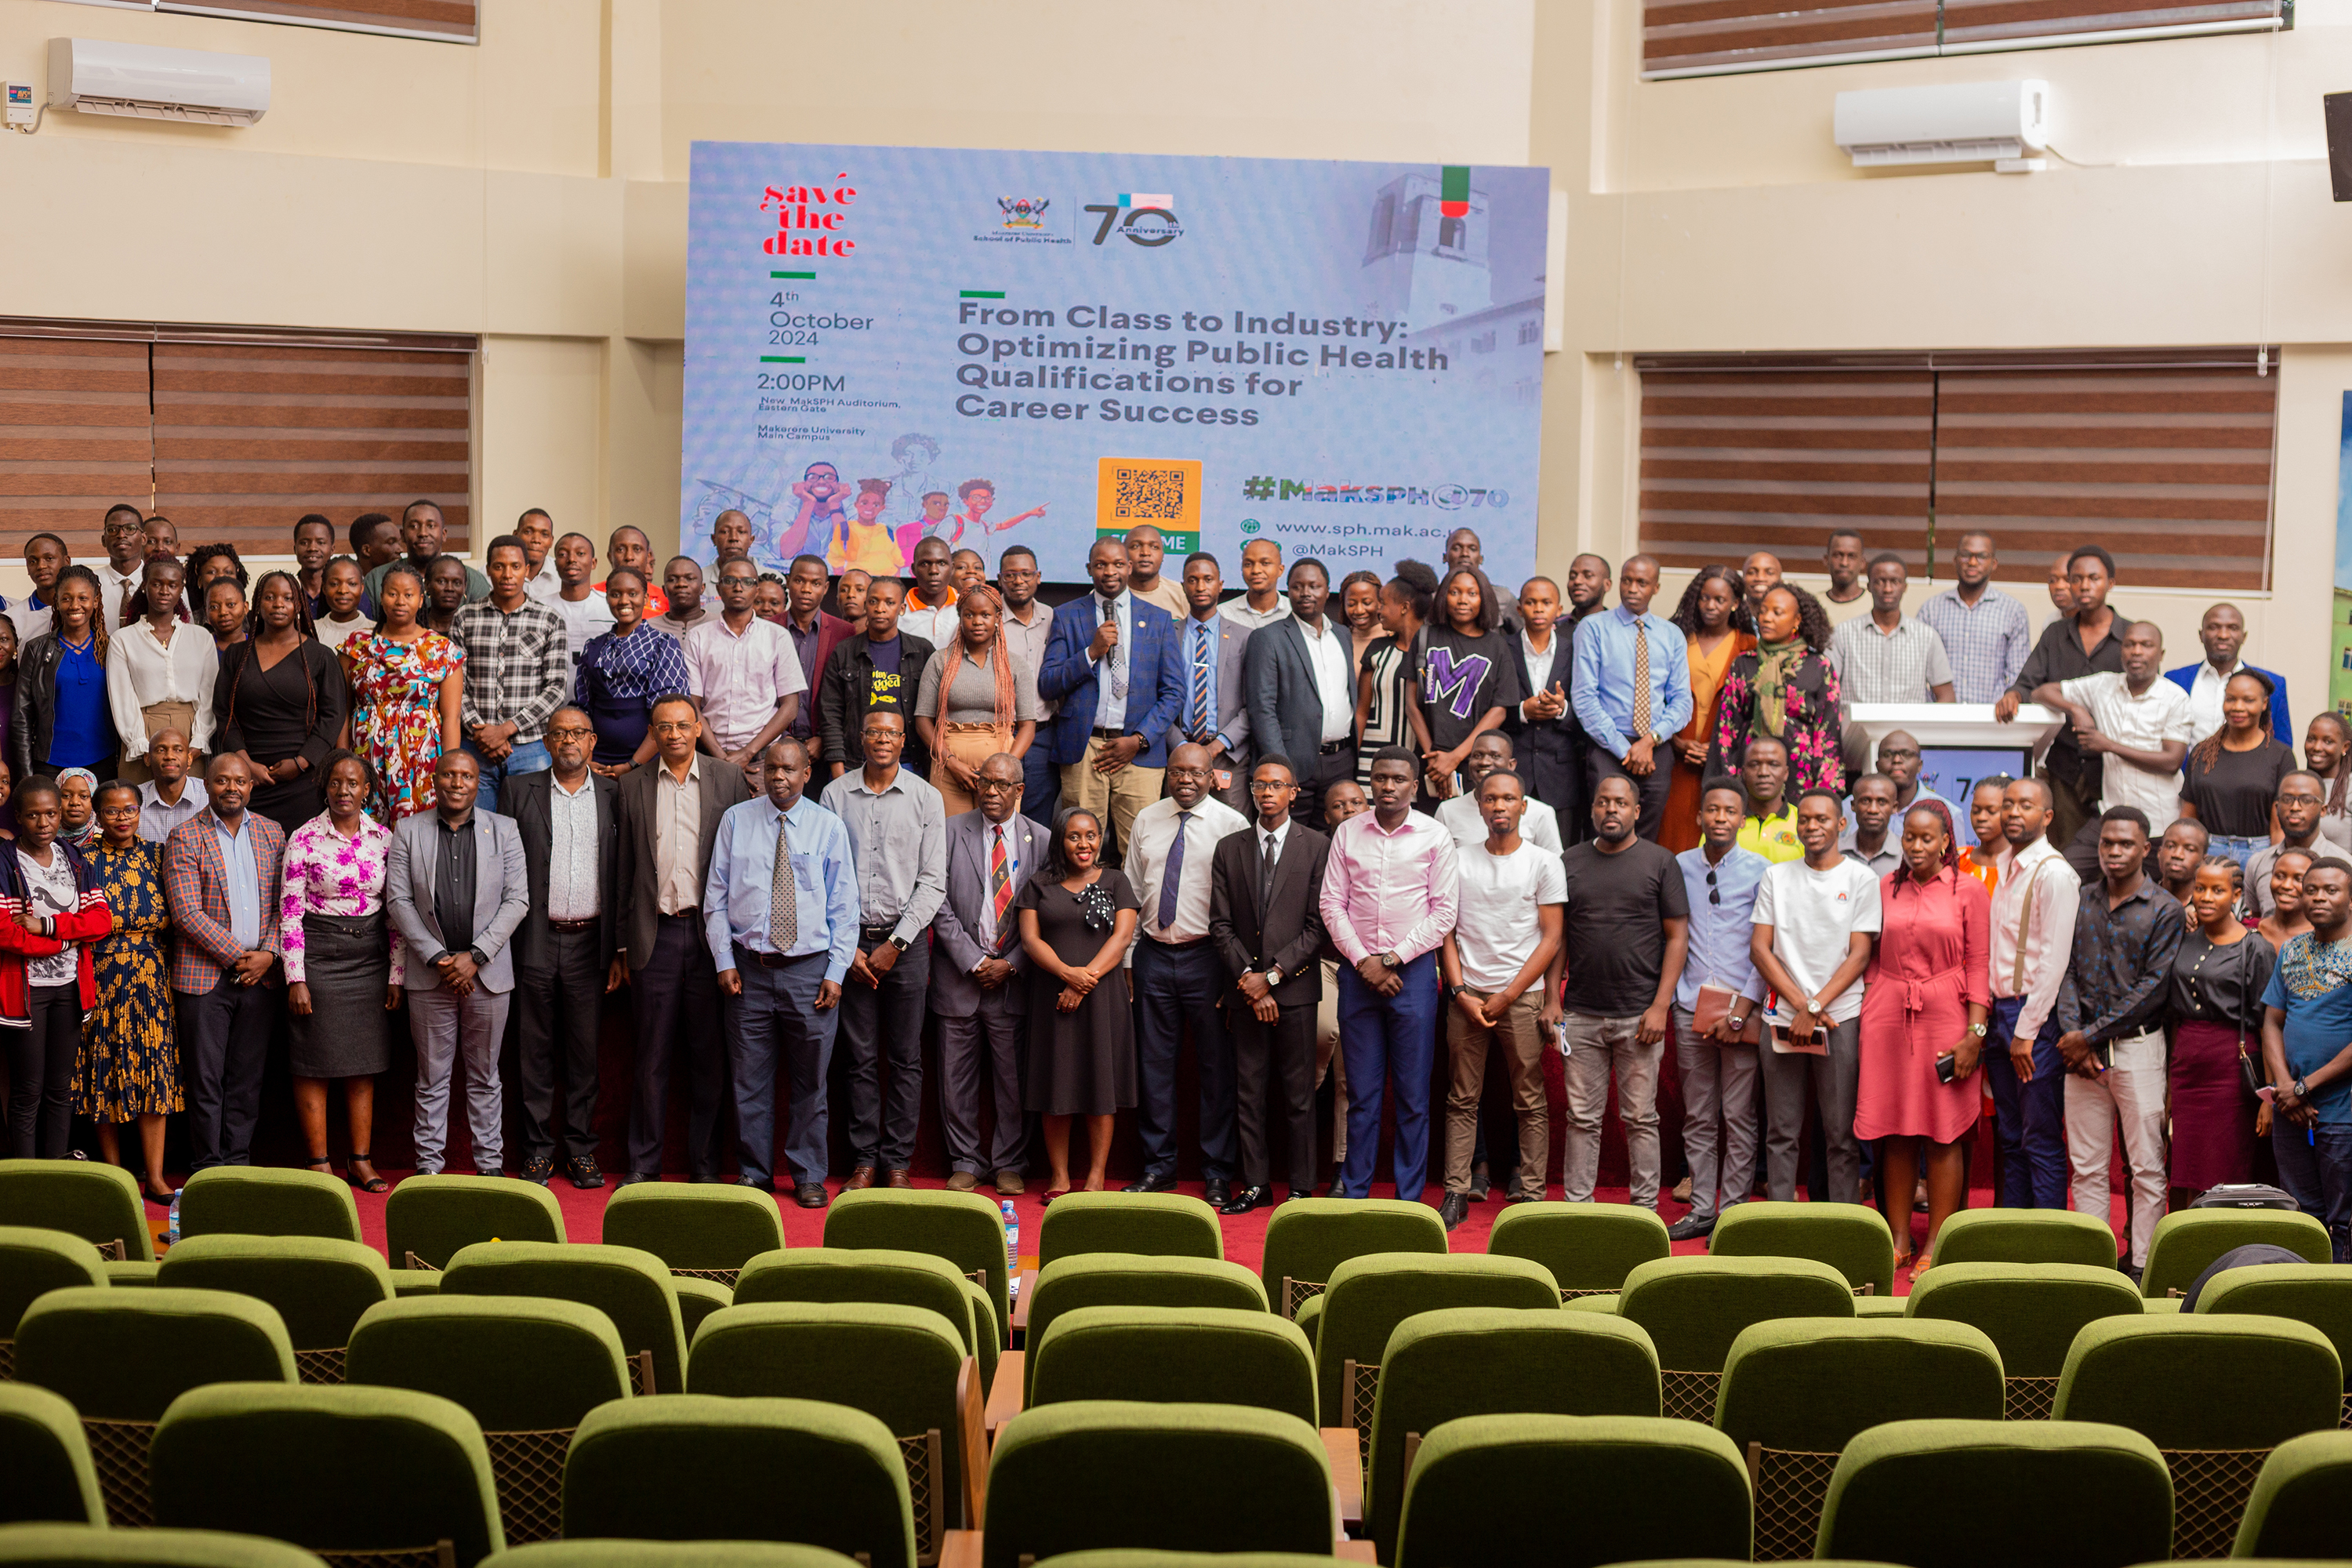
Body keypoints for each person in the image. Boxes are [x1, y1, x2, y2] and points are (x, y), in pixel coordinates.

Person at [710, 737, 858, 1208]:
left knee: (811, 1081)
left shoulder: (828, 827)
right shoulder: (736, 821)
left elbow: (844, 907)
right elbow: (715, 898)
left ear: (806, 773)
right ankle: (754, 1174)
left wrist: (836, 972)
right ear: (759, 772)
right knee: (749, 1080)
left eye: (789, 770)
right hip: (747, 972)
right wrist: (724, 961)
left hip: (810, 974)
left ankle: (809, 1174)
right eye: (771, 769)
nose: (779, 777)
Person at [615, 694, 750, 1183]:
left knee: (708, 1059)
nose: (672, 735)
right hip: (655, 936)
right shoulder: (631, 787)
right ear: (653, 733)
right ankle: (643, 1166)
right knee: (650, 1058)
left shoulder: (728, 779)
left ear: (698, 728)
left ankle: (706, 1168)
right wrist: (621, 947)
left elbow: (746, 862)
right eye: (662, 727)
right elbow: (622, 871)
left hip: (711, 937)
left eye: (681, 726)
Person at [1322, 747, 1458, 1203]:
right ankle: (1356, 1192)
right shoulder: (1347, 833)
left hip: (1414, 974)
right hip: (1358, 973)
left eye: (1399, 779)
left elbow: (1444, 914)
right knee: (1361, 1094)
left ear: (1414, 786)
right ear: (1371, 783)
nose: (1388, 786)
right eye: (1380, 778)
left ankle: (1408, 1200)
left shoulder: (1436, 836)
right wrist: (1365, 961)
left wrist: (1393, 959)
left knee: (1413, 1097)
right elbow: (1331, 904)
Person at [1857, 800, 1988, 1272]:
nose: (1916, 846)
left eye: (1926, 838)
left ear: (1946, 841)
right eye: (1909, 837)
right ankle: (1897, 1238)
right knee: (1893, 1130)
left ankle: (1936, 1241)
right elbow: (1868, 954)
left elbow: (1979, 962)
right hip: (1887, 1016)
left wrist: (1975, 1032)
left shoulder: (1968, 890)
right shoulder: (1884, 887)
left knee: (1943, 1131)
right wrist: (1873, 998)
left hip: (1947, 1015)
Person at [387, 750, 529, 1179]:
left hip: (487, 977)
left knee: (486, 1078)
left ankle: (490, 1170)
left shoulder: (504, 830)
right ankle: (429, 1171)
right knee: (431, 1079)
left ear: (475, 782)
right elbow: (398, 901)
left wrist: (476, 957)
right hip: (431, 976)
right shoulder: (409, 829)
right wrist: (440, 958)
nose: (457, 782)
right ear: (435, 780)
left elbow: (517, 899)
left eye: (466, 776)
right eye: (449, 774)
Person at [2054, 806, 2184, 1276]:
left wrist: (2085, 1036)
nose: (2114, 852)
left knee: (2147, 1168)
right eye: (2107, 843)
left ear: (2145, 849)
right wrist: (2076, 1038)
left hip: (2138, 1048)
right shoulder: (2082, 898)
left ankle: (2145, 1267)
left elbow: (2153, 989)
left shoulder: (2164, 908)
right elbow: (2063, 970)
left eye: (2125, 844)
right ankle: (2094, 1265)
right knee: (2086, 1167)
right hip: (2082, 1056)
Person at [819, 710, 946, 1189]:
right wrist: (846, 945)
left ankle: (897, 1163)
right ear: (860, 736)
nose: (882, 740)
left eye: (892, 733)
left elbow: (934, 882)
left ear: (902, 741)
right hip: (850, 947)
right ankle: (865, 1161)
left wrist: (896, 943)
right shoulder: (835, 794)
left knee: (906, 1058)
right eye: (873, 731)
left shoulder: (926, 798)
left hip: (905, 946)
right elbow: (823, 878)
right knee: (859, 1058)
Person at [1436, 768, 1566, 1229]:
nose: (1499, 807)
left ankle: (1531, 1195)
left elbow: (1551, 939)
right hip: (1467, 995)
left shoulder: (1544, 862)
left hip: (1523, 997)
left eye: (1509, 799)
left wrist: (1510, 995)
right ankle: (1455, 1191)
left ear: (1523, 807)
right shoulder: (1456, 858)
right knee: (1460, 1098)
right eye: (1491, 799)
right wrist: (1459, 992)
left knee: (1529, 1099)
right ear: (1479, 806)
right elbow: (1445, 931)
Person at [1123, 742, 1250, 1201]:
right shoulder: (1147, 820)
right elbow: (1133, 894)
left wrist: (1233, 970)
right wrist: (1130, 958)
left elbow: (1242, 904)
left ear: (1213, 775)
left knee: (1216, 1069)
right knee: (1154, 1068)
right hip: (1154, 955)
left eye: (1196, 773)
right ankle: (1160, 1167)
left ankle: (1217, 1171)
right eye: (1177, 772)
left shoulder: (1232, 825)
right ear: (1167, 774)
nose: (1186, 780)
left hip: (1208, 959)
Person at [1556, 772, 1689, 1209]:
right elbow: (1558, 937)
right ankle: (1579, 1207)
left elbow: (1677, 937)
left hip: (1639, 1017)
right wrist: (1551, 998)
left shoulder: (1660, 862)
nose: (1610, 809)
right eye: (1602, 802)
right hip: (1580, 1014)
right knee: (1581, 1118)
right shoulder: (1570, 860)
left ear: (1636, 810)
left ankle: (1645, 1209)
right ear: (1593, 809)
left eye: (1619, 803)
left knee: (1640, 1118)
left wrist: (1659, 1006)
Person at [1210, 754, 1330, 1213]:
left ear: (1293, 792)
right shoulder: (1230, 847)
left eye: (1276, 784)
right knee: (1249, 1091)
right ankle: (1256, 1184)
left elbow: (1318, 926)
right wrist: (1248, 980)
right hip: (1244, 991)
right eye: (1259, 784)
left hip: (1294, 990)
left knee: (1299, 1094)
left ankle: (1301, 1188)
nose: (1266, 792)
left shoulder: (1316, 846)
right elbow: (1220, 925)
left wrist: (1273, 978)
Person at [1749, 788, 1882, 1203]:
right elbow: (1760, 949)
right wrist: (1802, 1007)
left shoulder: (1862, 878)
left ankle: (1841, 1225)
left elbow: (1860, 954)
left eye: (1822, 819)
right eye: (1804, 819)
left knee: (1841, 1133)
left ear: (1841, 824)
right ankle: (1780, 1223)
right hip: (1783, 1017)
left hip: (1840, 1016)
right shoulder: (1777, 876)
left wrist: (1816, 1006)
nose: (1812, 827)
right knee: (1781, 1131)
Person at [503, 710, 617, 1190]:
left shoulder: (616, 793)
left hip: (591, 942)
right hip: (534, 939)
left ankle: (581, 1150)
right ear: (546, 742)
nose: (568, 741)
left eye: (577, 733)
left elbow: (625, 870)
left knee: (583, 1054)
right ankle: (536, 1153)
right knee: (533, 1054)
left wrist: (621, 949)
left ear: (592, 741)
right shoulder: (518, 790)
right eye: (559, 734)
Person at [279, 753, 398, 1196]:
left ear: (367, 789)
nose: (344, 790)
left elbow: (394, 913)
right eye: (335, 782)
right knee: (314, 1061)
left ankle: (360, 1160)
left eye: (353, 783)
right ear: (325, 787)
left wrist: (396, 975)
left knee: (362, 1063)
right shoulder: (305, 837)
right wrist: (297, 978)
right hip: (320, 957)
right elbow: (289, 914)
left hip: (370, 957)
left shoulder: (384, 838)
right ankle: (319, 1163)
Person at [929, 752, 1044, 1196]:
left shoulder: (1043, 838)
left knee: (1012, 1080)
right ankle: (965, 1160)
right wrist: (972, 961)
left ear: (1019, 790)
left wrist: (1012, 962)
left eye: (1001, 784)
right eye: (985, 783)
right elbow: (935, 898)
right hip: (960, 976)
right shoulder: (949, 830)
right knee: (954, 1077)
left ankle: (1010, 1161)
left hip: (1013, 978)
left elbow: (1046, 914)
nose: (991, 791)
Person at [165, 754, 284, 1171]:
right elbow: (186, 914)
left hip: (261, 980)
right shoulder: (184, 836)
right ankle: (207, 1168)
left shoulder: (273, 833)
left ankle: (237, 1164)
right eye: (222, 781)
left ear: (251, 786)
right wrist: (242, 958)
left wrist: (267, 955)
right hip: (205, 979)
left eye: (240, 781)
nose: (232, 788)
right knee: (205, 1081)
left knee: (247, 1082)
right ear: (207, 785)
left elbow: (280, 906)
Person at [1017, 806, 1141, 1198]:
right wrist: (1066, 975)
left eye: (1091, 835)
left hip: (1102, 998)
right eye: (1074, 836)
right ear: (1060, 841)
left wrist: (1082, 981)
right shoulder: (1039, 884)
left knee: (1100, 1084)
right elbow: (1030, 941)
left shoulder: (1117, 881)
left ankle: (1096, 1177)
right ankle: (1058, 1176)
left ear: (1100, 838)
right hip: (1051, 998)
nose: (1083, 844)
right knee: (1056, 1084)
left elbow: (1121, 938)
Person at [1039, 538, 1182, 858]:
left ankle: (1135, 911)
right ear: (1089, 569)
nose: (1110, 571)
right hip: (1085, 748)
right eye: (1101, 564)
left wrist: (1139, 740)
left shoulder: (1158, 619)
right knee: (1081, 849)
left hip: (1139, 754)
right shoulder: (1067, 615)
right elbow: (1048, 684)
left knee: (1142, 850)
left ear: (1129, 567)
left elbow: (1174, 692)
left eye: (1118, 564)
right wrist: (1091, 653)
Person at [1669, 777, 1768, 1240]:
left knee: (1739, 1115)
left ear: (1742, 820)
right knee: (1699, 1114)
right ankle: (1703, 1207)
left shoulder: (1761, 870)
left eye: (1730, 812)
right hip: (1689, 1006)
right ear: (1700, 817)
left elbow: (1765, 946)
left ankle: (1731, 1213)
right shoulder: (1678, 866)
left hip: (1740, 1010)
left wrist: (1743, 1009)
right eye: (1713, 810)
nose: (1721, 819)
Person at [0, 775, 110, 1160]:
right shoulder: (5, 861)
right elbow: (6, 933)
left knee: (61, 1088)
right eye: (33, 815)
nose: (44, 823)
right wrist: (68, 939)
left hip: (70, 986)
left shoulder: (74, 858)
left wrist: (51, 929)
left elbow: (100, 921)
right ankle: (27, 1179)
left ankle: (57, 1175)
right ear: (18, 818)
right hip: (26, 991)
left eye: (51, 814)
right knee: (28, 1090)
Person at [78, 780, 177, 1200]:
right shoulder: (81, 859)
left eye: (130, 809)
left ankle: (154, 1176)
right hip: (101, 974)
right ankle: (116, 1176)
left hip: (153, 976)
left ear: (140, 811)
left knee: (153, 1068)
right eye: (113, 811)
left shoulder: (158, 854)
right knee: (106, 1068)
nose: (123, 818)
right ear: (98, 816)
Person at [1986, 777, 2079, 1210]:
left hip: (2033, 1019)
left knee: (2039, 1136)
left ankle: (2050, 1246)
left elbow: (2054, 961)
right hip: (2000, 1013)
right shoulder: (2007, 867)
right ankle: (2014, 1240)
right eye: (2007, 804)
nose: (2013, 812)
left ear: (2046, 817)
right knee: (2009, 1135)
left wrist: (2026, 1029)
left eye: (2025, 805)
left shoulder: (2055, 873)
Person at [2259, 856, 2352, 1261]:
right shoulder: (2293, 949)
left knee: (2343, 1219)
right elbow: (2271, 1023)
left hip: (2342, 1109)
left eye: (2331, 890)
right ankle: (2306, 1297)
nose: (2318, 898)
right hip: (2292, 1110)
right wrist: (2284, 1090)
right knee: (2301, 1216)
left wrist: (2303, 1087)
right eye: (2311, 889)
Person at [2000, 546, 2124, 849]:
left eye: (2093, 578)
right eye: (2076, 578)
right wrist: (2014, 694)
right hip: (2065, 766)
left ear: (2110, 583)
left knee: (2115, 856)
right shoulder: (2055, 634)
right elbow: (2028, 682)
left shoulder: (2131, 636)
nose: (2084, 585)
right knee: (2068, 856)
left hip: (2115, 768)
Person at [2169, 854, 2274, 1205]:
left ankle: (2224, 1253)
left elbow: (2269, 1025)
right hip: (2185, 1065)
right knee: (2185, 1167)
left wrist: (2268, 1098)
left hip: (2229, 1067)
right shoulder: (2184, 939)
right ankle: (2184, 1251)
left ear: (2237, 894)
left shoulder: (2254, 946)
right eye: (2200, 888)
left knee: (2223, 1166)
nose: (2206, 897)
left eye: (2217, 889)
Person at [2031, 619, 2194, 844]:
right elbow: (2041, 692)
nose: (2136, 652)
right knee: (2070, 869)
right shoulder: (2103, 685)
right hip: (2111, 818)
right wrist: (2076, 709)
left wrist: (2108, 745)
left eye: (2146, 645)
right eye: (2130, 645)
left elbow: (2172, 761)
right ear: (2121, 651)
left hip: (2158, 822)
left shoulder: (2175, 698)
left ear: (2161, 654)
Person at [215, 572, 349, 833]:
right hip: (249, 781)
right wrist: (246, 765)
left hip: (304, 781)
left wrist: (301, 762)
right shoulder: (236, 655)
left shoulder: (321, 656)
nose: (278, 604)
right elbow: (224, 714)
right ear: (256, 604)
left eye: (287, 598)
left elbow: (333, 716)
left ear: (298, 605)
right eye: (270, 597)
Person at [450, 535, 569, 815]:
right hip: (475, 748)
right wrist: (483, 732)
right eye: (499, 566)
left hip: (531, 749)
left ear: (527, 570)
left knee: (533, 831)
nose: (507, 574)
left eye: (515, 566)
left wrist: (505, 730)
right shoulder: (465, 617)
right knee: (477, 829)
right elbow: (456, 685)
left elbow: (556, 689)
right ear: (488, 570)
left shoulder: (549, 619)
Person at [1247, 558, 1368, 823]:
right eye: (1297, 587)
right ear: (1287, 591)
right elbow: (1261, 708)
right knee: (1292, 841)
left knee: (1340, 839)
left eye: (1314, 586)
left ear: (1328, 590)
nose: (1305, 593)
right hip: (1294, 761)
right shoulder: (1268, 638)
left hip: (1342, 761)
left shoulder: (1343, 635)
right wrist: (1281, 767)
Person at [343, 564, 465, 824]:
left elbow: (452, 718)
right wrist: (343, 760)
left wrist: (450, 771)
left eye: (408, 595)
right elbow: (342, 710)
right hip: (366, 755)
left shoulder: (442, 650)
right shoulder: (356, 645)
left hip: (422, 758)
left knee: (420, 834)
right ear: (380, 596)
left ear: (421, 600)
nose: (400, 601)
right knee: (365, 831)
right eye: (392, 593)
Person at [1710, 583, 1844, 800]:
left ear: (1797, 620)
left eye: (1777, 613)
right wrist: (1728, 785)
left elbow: (1828, 735)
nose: (1766, 618)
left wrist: (1824, 795)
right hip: (1750, 777)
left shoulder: (1819, 666)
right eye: (1762, 612)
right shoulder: (1744, 664)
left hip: (1802, 780)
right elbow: (1727, 731)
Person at [914, 584, 1036, 816]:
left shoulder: (1015, 664)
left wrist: (1005, 766)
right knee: (952, 837)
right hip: (949, 764)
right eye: (969, 614)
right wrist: (950, 763)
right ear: (960, 617)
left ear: (998, 618)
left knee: (997, 835)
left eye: (985, 615)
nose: (977, 621)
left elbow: (1028, 727)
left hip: (1000, 764)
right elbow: (922, 721)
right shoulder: (940, 661)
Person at [1659, 566, 1752, 853]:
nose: (1710, 606)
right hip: (1675, 755)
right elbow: (1655, 694)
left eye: (1720, 600)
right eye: (1704, 598)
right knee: (1670, 836)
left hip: (1724, 760)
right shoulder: (1675, 638)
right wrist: (1672, 740)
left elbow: (1751, 713)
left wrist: (1718, 749)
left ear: (1735, 603)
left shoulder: (1749, 646)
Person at [683, 557, 806, 771]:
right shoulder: (698, 637)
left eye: (747, 582)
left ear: (757, 590)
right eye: (730, 580)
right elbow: (691, 704)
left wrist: (747, 753)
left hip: (764, 759)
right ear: (719, 588)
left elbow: (790, 707)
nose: (738, 587)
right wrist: (720, 756)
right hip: (710, 757)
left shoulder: (778, 637)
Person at [1417, 566, 1526, 803]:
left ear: (1483, 598)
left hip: (1474, 764)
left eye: (1471, 593)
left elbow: (1499, 710)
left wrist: (1455, 757)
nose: (1462, 600)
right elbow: (1411, 704)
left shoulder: (1497, 646)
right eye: (1455, 592)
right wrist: (1434, 759)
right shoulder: (1427, 636)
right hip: (1430, 763)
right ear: (1444, 596)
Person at [107, 557, 214, 788]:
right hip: (142, 730)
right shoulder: (122, 640)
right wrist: (139, 744)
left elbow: (209, 695)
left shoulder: (201, 638)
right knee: (139, 810)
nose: (164, 591)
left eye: (172, 585)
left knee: (190, 810)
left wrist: (199, 741)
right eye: (157, 584)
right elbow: (122, 697)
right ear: (144, 585)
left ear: (181, 589)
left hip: (189, 733)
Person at [575, 568, 689, 779]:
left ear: (645, 598)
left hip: (647, 759)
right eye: (615, 594)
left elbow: (666, 714)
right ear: (607, 597)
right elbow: (584, 708)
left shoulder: (663, 644)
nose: (623, 600)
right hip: (597, 760)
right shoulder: (592, 647)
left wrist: (633, 764)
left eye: (632, 594)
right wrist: (587, 759)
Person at [820, 577, 937, 780]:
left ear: (901, 609)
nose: (880, 608)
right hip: (854, 764)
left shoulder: (922, 651)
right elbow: (830, 714)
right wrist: (839, 773)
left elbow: (936, 711)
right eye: (873, 601)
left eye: (889, 603)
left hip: (910, 764)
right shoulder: (845, 651)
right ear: (865, 606)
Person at [2177, 670, 2294, 870]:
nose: (2238, 707)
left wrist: (2276, 869)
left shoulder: (2280, 756)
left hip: (2259, 855)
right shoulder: (2202, 752)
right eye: (2231, 699)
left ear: (2264, 703)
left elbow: (2278, 828)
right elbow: (2188, 818)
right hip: (2207, 855)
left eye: (2248, 700)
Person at [13, 565, 115, 784]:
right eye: (67, 599)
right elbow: (21, 717)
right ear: (56, 602)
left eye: (83, 598)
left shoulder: (112, 648)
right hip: (50, 763)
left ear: (95, 601)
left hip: (104, 762)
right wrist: (27, 775)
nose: (75, 606)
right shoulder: (37, 650)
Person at [1169, 554, 1254, 811]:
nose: (1200, 586)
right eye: (1192, 580)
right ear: (1183, 585)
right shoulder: (1168, 635)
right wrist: (1183, 748)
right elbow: (1158, 699)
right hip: (1179, 753)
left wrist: (1216, 747)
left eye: (1208, 579)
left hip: (1229, 756)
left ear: (1221, 584)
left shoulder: (1245, 638)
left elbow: (1256, 705)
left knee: (1232, 835)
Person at [1915, 532, 2032, 706]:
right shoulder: (1931, 610)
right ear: (1955, 560)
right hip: (1940, 719)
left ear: (1994, 564)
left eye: (1982, 556)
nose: (1972, 562)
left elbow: (2018, 673)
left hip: (1994, 721)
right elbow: (1916, 669)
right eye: (1965, 555)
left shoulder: (2013, 611)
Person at [1827, 554, 1955, 707]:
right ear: (1868, 586)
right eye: (1880, 582)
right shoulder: (1843, 634)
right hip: (1855, 730)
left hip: (1909, 729)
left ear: (1905, 587)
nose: (1887, 589)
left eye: (1895, 581)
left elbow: (1946, 696)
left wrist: (1925, 728)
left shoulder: (1927, 637)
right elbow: (1826, 690)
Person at [995, 546, 1058, 829]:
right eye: (1010, 575)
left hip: (1043, 736)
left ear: (1038, 577)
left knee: (1037, 822)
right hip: (998, 733)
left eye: (1026, 574)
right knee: (997, 814)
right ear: (999, 579)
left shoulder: (1054, 618)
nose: (1019, 581)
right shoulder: (988, 618)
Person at [2165, 602, 2292, 744]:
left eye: (2233, 628)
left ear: (2244, 636)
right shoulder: (2174, 680)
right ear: (2201, 635)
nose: (2223, 635)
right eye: (2214, 627)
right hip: (2190, 766)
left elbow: (2282, 746)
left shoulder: (2273, 684)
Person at [1356, 562, 1433, 792]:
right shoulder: (1377, 649)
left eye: (1383, 603)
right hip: (1373, 761)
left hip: (1420, 762)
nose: (1378, 610)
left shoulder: (1436, 652)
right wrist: (1354, 761)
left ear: (1404, 607)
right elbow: (1362, 711)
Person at [780, 554, 854, 746]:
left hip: (826, 747)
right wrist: (781, 736)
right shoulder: (768, 629)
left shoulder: (845, 632)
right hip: (775, 743)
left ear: (826, 589)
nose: (806, 590)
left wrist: (824, 739)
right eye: (799, 581)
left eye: (815, 583)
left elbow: (849, 696)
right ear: (788, 582)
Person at [364, 499, 489, 606]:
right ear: (402, 535)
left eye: (431, 526)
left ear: (444, 534)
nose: (423, 533)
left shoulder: (472, 580)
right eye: (414, 526)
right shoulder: (376, 579)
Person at [2248, 771, 2329, 920]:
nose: (2295, 807)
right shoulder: (2258, 863)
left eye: (2307, 800)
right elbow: (2255, 920)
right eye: (2287, 799)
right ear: (2277, 807)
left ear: (2323, 810)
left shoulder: (2344, 864)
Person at [546, 532, 615, 670]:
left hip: (600, 689)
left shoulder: (610, 607)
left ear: (593, 563)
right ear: (555, 564)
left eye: (581, 553)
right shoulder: (540, 607)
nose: (571, 559)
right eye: (563, 554)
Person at [1730, 733, 1803, 863]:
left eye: (1773, 764)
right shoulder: (1726, 822)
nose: (1763, 772)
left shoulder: (1803, 823)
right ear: (1744, 773)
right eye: (1754, 764)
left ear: (1786, 773)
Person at [826, 477, 905, 579]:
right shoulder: (845, 528)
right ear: (856, 504)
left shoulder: (887, 531)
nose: (869, 508)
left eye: (876, 505)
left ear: (882, 508)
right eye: (864, 503)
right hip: (856, 582)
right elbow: (836, 560)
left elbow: (898, 562)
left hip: (884, 583)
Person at [134, 729, 202, 845]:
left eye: (178, 750)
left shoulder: (208, 796)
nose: (170, 756)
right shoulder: (134, 799)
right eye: (161, 750)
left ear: (189, 759)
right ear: (147, 758)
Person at [2301, 712, 2352, 856]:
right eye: (2311, 739)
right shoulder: (2299, 785)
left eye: (2328, 741)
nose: (2317, 747)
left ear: (2345, 747)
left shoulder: (2350, 788)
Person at [593, 526, 670, 618]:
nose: (629, 557)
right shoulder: (592, 595)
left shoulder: (666, 599)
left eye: (637, 549)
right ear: (610, 557)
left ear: (647, 556)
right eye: (621, 550)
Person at [900, 536, 962, 648]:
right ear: (913, 569)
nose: (934, 570)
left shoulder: (966, 607)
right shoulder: (899, 612)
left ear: (952, 568)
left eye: (942, 563)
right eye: (925, 564)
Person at [6, 533, 68, 644]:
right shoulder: (11, 619)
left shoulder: (82, 611)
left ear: (67, 562)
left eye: (49, 558)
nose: (41, 566)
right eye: (33, 561)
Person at [95, 506, 147, 633]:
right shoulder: (90, 582)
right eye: (112, 530)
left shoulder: (164, 581)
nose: (121, 535)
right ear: (103, 540)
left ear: (144, 538)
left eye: (130, 528)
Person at [1958, 775, 2012, 892]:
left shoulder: (2020, 866)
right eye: (1976, 811)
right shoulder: (1956, 859)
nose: (1981, 818)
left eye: (1991, 811)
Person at [1223, 539, 1291, 631]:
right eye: (1248, 564)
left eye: (1265, 563)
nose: (1256, 570)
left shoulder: (1294, 612)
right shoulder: (1223, 614)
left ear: (1280, 570)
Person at [1123, 524, 1188, 619]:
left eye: (1154, 547)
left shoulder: (1181, 595)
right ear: (1123, 554)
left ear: (1163, 555)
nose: (1145, 553)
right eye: (1136, 546)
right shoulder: (1109, 593)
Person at [1842, 774, 1902, 877]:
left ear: (1894, 807)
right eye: (1865, 801)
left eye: (1882, 802)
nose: (1873, 810)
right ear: (1853, 805)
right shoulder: (1835, 852)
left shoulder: (1906, 855)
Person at [314, 558, 377, 655]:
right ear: (324, 588)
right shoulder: (312, 631)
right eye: (335, 584)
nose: (343, 590)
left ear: (361, 588)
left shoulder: (377, 632)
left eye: (352, 584)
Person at [2257, 847, 2314, 952]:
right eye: (2280, 876)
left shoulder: (2322, 937)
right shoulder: (2257, 930)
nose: (2286, 885)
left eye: (2299, 879)